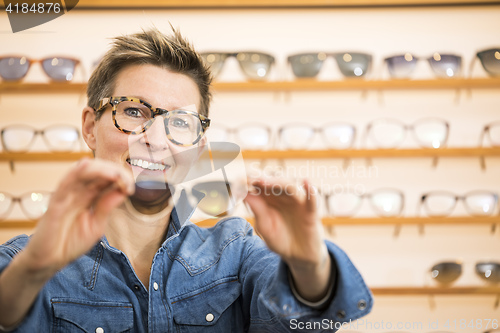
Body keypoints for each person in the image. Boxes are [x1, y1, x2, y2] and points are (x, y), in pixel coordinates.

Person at [0, 27, 372, 332]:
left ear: (197, 147)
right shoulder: (23, 261)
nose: (156, 140)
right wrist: (33, 271)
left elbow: (309, 323)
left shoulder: (235, 251)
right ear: (90, 128)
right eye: (133, 111)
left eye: (179, 122)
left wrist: (308, 266)